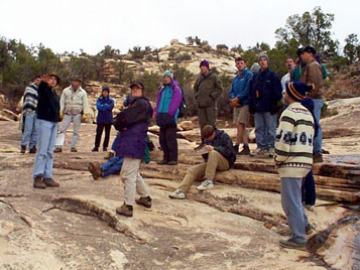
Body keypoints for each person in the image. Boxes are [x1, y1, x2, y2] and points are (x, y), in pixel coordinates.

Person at [275, 81, 315, 250]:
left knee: (289, 202)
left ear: (291, 94)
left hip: (292, 162)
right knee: (296, 199)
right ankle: (304, 225)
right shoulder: (307, 113)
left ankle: (299, 237)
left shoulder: (288, 113)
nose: (283, 94)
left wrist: (279, 159)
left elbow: (283, 140)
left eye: (286, 92)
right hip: (305, 161)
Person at [114, 81, 153, 218]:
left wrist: (118, 122)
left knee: (127, 174)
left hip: (133, 142)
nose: (135, 90)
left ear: (142, 91)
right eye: (133, 88)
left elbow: (125, 118)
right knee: (133, 172)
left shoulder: (141, 104)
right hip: (134, 141)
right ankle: (146, 197)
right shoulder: (139, 104)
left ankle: (128, 206)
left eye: (138, 88)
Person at [169, 125, 236, 199]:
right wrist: (203, 152)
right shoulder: (206, 140)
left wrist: (214, 148)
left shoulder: (224, 136)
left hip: (225, 162)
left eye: (208, 138)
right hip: (211, 163)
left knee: (213, 153)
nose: (207, 140)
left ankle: (208, 180)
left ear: (213, 133)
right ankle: (181, 191)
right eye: (206, 138)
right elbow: (206, 158)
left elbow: (230, 152)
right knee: (193, 170)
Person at [249, 54, 282, 157]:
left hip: (269, 107)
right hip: (258, 108)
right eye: (261, 60)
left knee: (271, 128)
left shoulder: (273, 75)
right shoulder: (255, 77)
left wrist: (274, 104)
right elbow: (251, 92)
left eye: (264, 60)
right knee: (259, 128)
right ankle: (261, 147)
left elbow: (277, 91)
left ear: (267, 62)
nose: (262, 62)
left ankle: (271, 147)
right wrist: (252, 105)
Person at [32, 74, 61, 189]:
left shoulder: (55, 94)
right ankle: (38, 176)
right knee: (42, 150)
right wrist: (44, 82)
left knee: (50, 151)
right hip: (44, 121)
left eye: (55, 80)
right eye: (51, 79)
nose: (53, 81)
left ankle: (47, 176)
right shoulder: (44, 90)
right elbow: (41, 89)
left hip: (53, 122)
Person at [299, 46, 324, 163]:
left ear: (309, 53)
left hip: (313, 100)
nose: (301, 56)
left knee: (315, 125)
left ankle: (317, 152)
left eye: (303, 53)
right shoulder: (309, 66)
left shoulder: (313, 66)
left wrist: (306, 97)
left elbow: (314, 85)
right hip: (311, 100)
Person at [155, 70, 182, 165]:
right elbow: (158, 102)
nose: (165, 79)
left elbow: (176, 102)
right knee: (162, 139)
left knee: (171, 138)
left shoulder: (176, 89)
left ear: (171, 78)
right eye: (164, 77)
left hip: (170, 117)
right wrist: (156, 113)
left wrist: (170, 113)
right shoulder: (162, 90)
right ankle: (166, 157)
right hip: (161, 116)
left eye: (167, 77)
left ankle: (173, 158)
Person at [54, 78, 88, 153]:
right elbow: (62, 101)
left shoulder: (83, 92)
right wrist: (61, 111)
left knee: (76, 131)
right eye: (74, 81)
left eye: (77, 81)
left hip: (77, 113)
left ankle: (73, 146)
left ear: (79, 82)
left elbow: (85, 103)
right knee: (62, 130)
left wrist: (85, 113)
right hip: (67, 112)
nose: (75, 83)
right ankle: (58, 146)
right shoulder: (66, 91)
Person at [193, 60, 223, 144]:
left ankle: (214, 143)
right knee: (202, 126)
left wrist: (212, 96)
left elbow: (220, 89)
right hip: (201, 106)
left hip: (210, 106)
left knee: (211, 125)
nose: (202, 68)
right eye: (201, 67)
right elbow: (195, 88)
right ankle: (204, 143)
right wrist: (197, 97)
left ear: (207, 67)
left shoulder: (213, 77)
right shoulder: (199, 78)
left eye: (204, 66)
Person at [229, 57, 253, 155]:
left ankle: (237, 145)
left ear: (244, 64)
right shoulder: (236, 78)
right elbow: (231, 90)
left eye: (241, 63)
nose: (239, 65)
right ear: (235, 65)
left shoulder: (249, 75)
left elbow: (247, 90)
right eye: (238, 63)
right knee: (241, 126)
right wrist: (232, 98)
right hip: (236, 104)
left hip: (245, 103)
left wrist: (238, 98)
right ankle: (246, 146)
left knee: (240, 123)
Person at [20, 75, 41, 154]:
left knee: (35, 130)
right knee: (28, 129)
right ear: (35, 80)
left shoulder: (41, 90)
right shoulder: (29, 88)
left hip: (37, 111)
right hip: (29, 111)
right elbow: (28, 99)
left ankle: (32, 146)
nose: (38, 81)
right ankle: (23, 145)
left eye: (40, 80)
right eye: (37, 80)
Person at [92, 86, 114, 152]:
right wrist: (105, 106)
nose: (105, 93)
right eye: (104, 91)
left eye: (106, 92)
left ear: (108, 93)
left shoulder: (111, 100)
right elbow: (99, 107)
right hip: (100, 119)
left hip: (108, 119)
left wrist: (103, 106)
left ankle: (105, 146)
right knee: (98, 133)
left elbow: (110, 107)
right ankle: (96, 146)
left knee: (107, 134)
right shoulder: (99, 99)